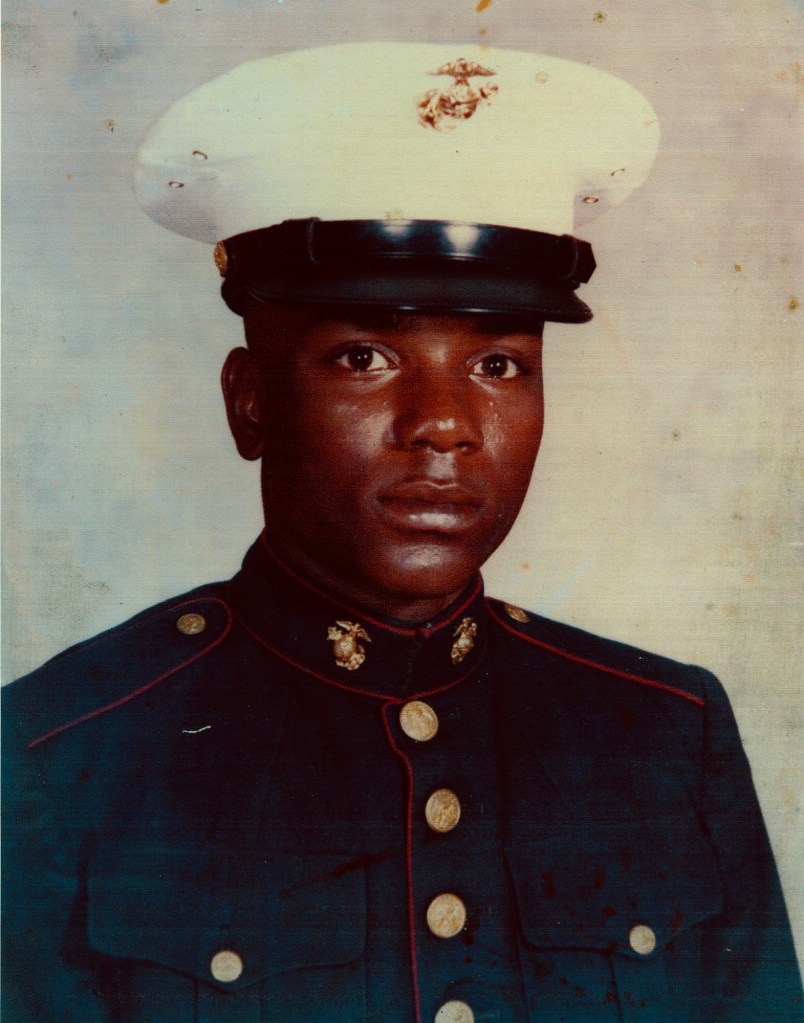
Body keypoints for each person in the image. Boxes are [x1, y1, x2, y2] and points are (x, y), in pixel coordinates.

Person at [2, 42, 801, 1023]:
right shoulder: (58, 756)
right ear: (251, 402)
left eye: (499, 365)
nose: (445, 424)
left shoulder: (667, 734)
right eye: (366, 357)